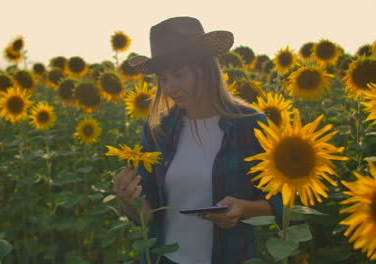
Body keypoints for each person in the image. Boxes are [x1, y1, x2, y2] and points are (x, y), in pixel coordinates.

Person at [113, 16, 283, 264]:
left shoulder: (250, 125)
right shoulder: (158, 131)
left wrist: (245, 208)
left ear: (205, 68)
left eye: (178, 74)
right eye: (163, 78)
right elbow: (147, 215)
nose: (170, 87)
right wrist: (129, 202)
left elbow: (284, 200)